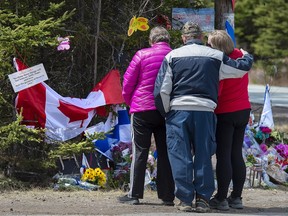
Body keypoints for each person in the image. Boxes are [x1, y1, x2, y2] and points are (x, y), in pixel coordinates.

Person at [154, 21, 253, 213]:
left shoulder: (172, 55)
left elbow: (161, 90)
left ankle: (185, 200)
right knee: (204, 156)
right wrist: (247, 55)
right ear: (201, 37)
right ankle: (203, 200)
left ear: (183, 38)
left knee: (180, 155)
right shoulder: (216, 56)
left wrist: (168, 113)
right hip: (205, 111)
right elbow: (241, 68)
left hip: (178, 111)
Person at [118, 26, 175, 205]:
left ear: (151, 41)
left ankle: (134, 194)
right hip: (166, 109)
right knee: (165, 152)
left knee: (140, 151)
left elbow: (128, 83)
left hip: (142, 108)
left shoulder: (141, 54)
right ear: (167, 40)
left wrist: (131, 102)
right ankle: (167, 196)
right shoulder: (175, 55)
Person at [208, 30, 251, 210]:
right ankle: (237, 197)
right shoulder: (241, 56)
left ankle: (221, 198)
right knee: (236, 154)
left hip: (225, 112)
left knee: (224, 155)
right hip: (243, 110)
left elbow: (218, 91)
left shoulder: (222, 63)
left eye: (210, 44)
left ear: (217, 46)